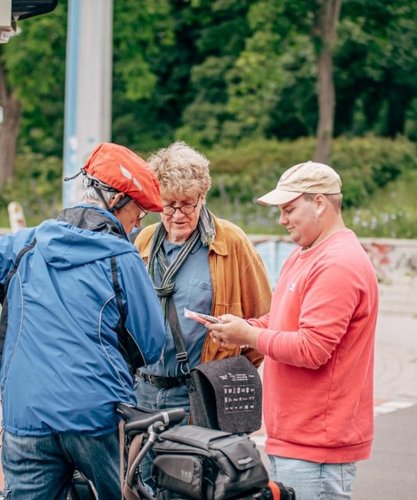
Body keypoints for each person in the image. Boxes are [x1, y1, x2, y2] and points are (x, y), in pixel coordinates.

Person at [0, 143, 167, 500]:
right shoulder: (122, 258)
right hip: (97, 414)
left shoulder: (22, 246)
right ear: (115, 200)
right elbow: (151, 344)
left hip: (25, 412)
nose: (139, 222)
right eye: (138, 210)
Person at [208, 161, 379, 500]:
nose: (282, 220)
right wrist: (242, 329)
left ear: (319, 202)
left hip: (317, 443)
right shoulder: (306, 254)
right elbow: (284, 321)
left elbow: (311, 349)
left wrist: (248, 336)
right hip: (298, 437)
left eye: (289, 209)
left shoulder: (338, 263)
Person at [134, 141, 272, 423]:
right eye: (168, 205)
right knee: (144, 470)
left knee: (194, 469)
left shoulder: (230, 242)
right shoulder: (145, 239)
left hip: (197, 392)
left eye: (187, 204)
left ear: (203, 197)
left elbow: (266, 318)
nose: (178, 215)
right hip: (143, 390)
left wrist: (227, 373)